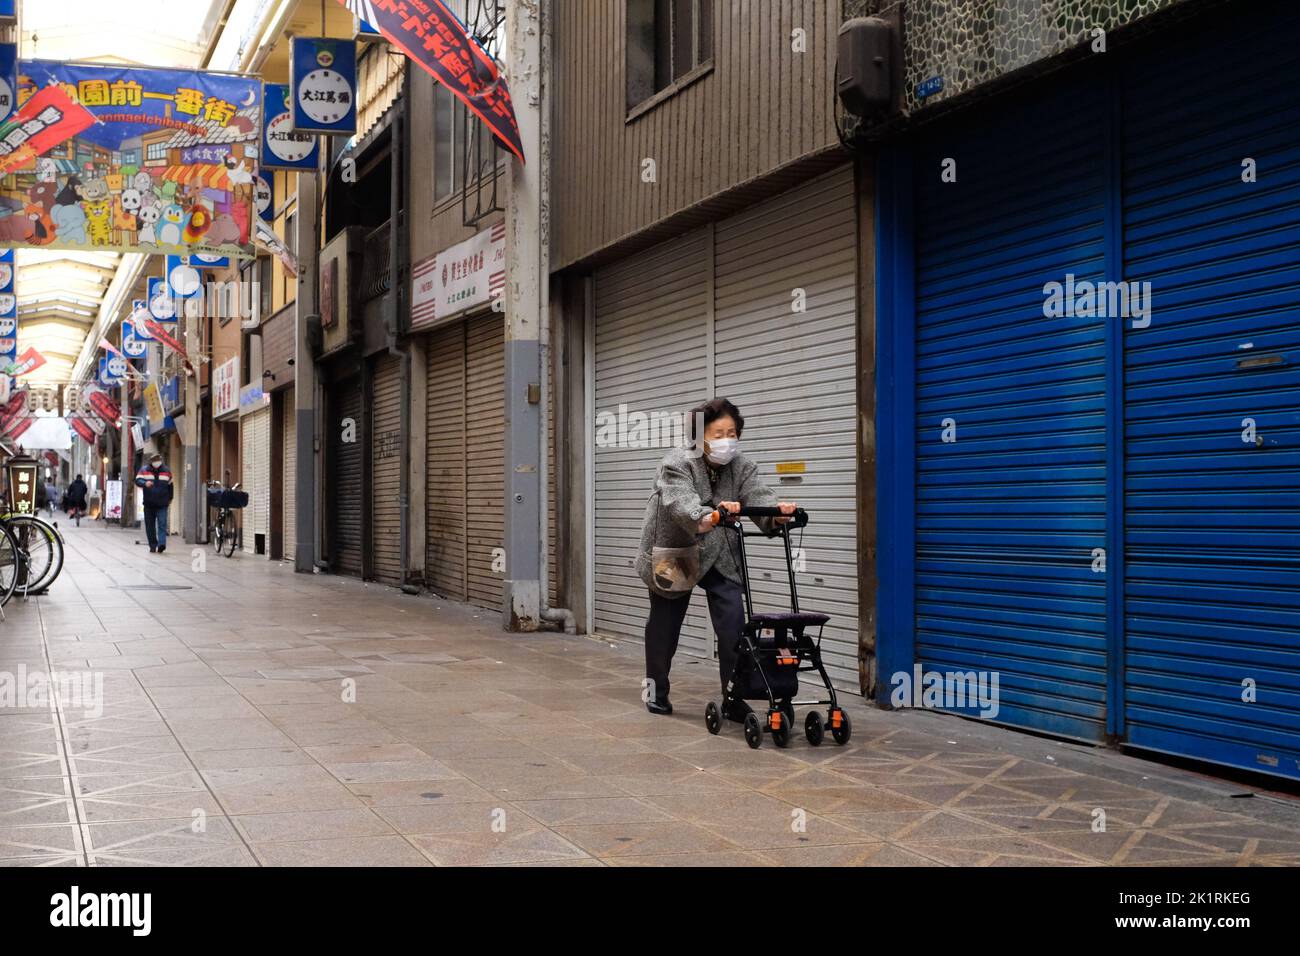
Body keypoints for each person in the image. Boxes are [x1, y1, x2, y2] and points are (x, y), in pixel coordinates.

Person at [636, 398, 796, 717]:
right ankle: (656, 690)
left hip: (720, 552)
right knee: (665, 626)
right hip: (677, 549)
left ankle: (734, 696)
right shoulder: (677, 463)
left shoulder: (742, 466)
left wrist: (777, 514)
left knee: (734, 624)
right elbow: (682, 503)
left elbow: (758, 494)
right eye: (718, 433)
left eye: (732, 432)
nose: (727, 440)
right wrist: (709, 516)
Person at [135, 452, 173, 554]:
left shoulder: (166, 471)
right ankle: (152, 545)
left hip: (162, 504)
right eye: (154, 460)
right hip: (149, 504)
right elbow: (137, 480)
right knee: (149, 526)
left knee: (162, 524)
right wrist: (144, 483)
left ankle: (161, 544)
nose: (156, 462)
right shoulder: (144, 470)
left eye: (158, 460)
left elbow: (170, 486)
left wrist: (170, 499)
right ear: (151, 461)